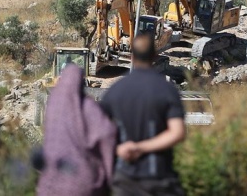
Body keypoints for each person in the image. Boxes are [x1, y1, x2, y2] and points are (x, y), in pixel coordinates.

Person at [100, 33, 186, 196]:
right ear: (155, 56)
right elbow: (177, 132)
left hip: (125, 181)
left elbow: (100, 133)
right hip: (160, 180)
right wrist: (140, 147)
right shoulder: (167, 90)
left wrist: (119, 149)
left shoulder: (115, 91)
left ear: (131, 57)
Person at [37, 65, 117, 196]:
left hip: (50, 182)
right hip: (80, 181)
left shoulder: (53, 105)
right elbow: (106, 132)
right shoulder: (86, 106)